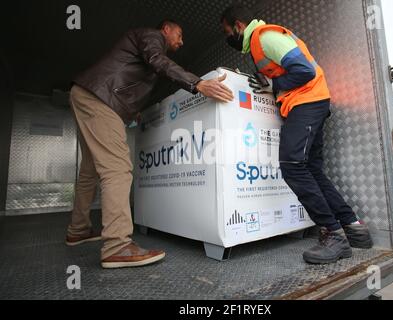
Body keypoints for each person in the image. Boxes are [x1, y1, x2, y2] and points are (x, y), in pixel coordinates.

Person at [66, 20, 234, 269]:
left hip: (91, 95)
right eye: (180, 33)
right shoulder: (152, 37)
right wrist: (197, 83)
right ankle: (117, 246)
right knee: (118, 168)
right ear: (166, 29)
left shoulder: (144, 46)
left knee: (90, 170)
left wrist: (131, 110)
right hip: (99, 98)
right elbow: (158, 61)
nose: (181, 40)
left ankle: (78, 230)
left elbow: (134, 78)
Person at [221, 5, 373, 265]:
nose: (228, 38)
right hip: (310, 103)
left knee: (292, 165)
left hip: (307, 103)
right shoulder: (259, 43)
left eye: (227, 32)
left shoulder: (264, 38)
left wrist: (272, 85)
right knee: (312, 169)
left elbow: (305, 71)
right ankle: (353, 228)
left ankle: (334, 235)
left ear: (237, 26)